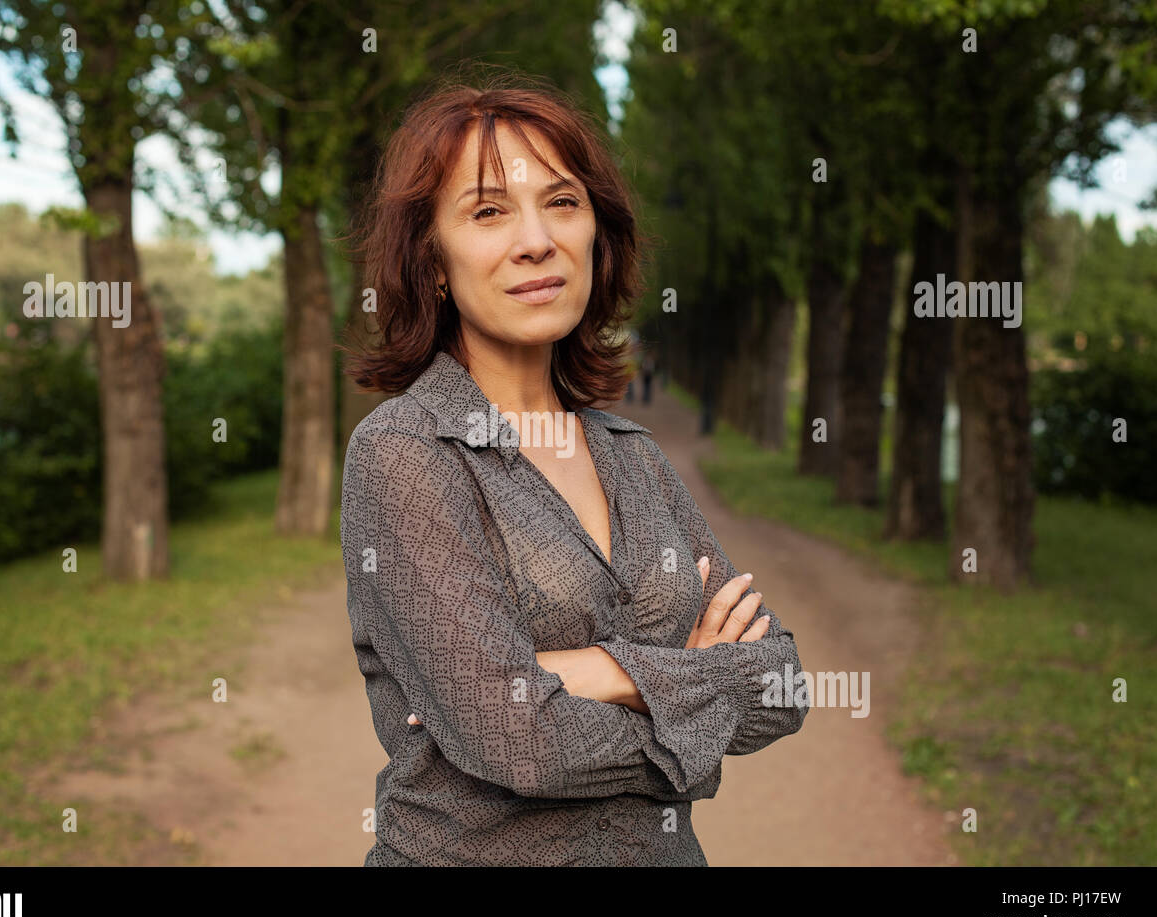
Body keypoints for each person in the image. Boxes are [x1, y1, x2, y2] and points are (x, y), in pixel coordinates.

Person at [339, 74, 808, 866]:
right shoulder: (405, 453)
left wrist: (588, 672)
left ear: (597, 231)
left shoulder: (635, 456)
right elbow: (519, 741)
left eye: (562, 202)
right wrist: (693, 685)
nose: (536, 240)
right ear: (436, 261)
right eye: (488, 211)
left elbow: (782, 683)